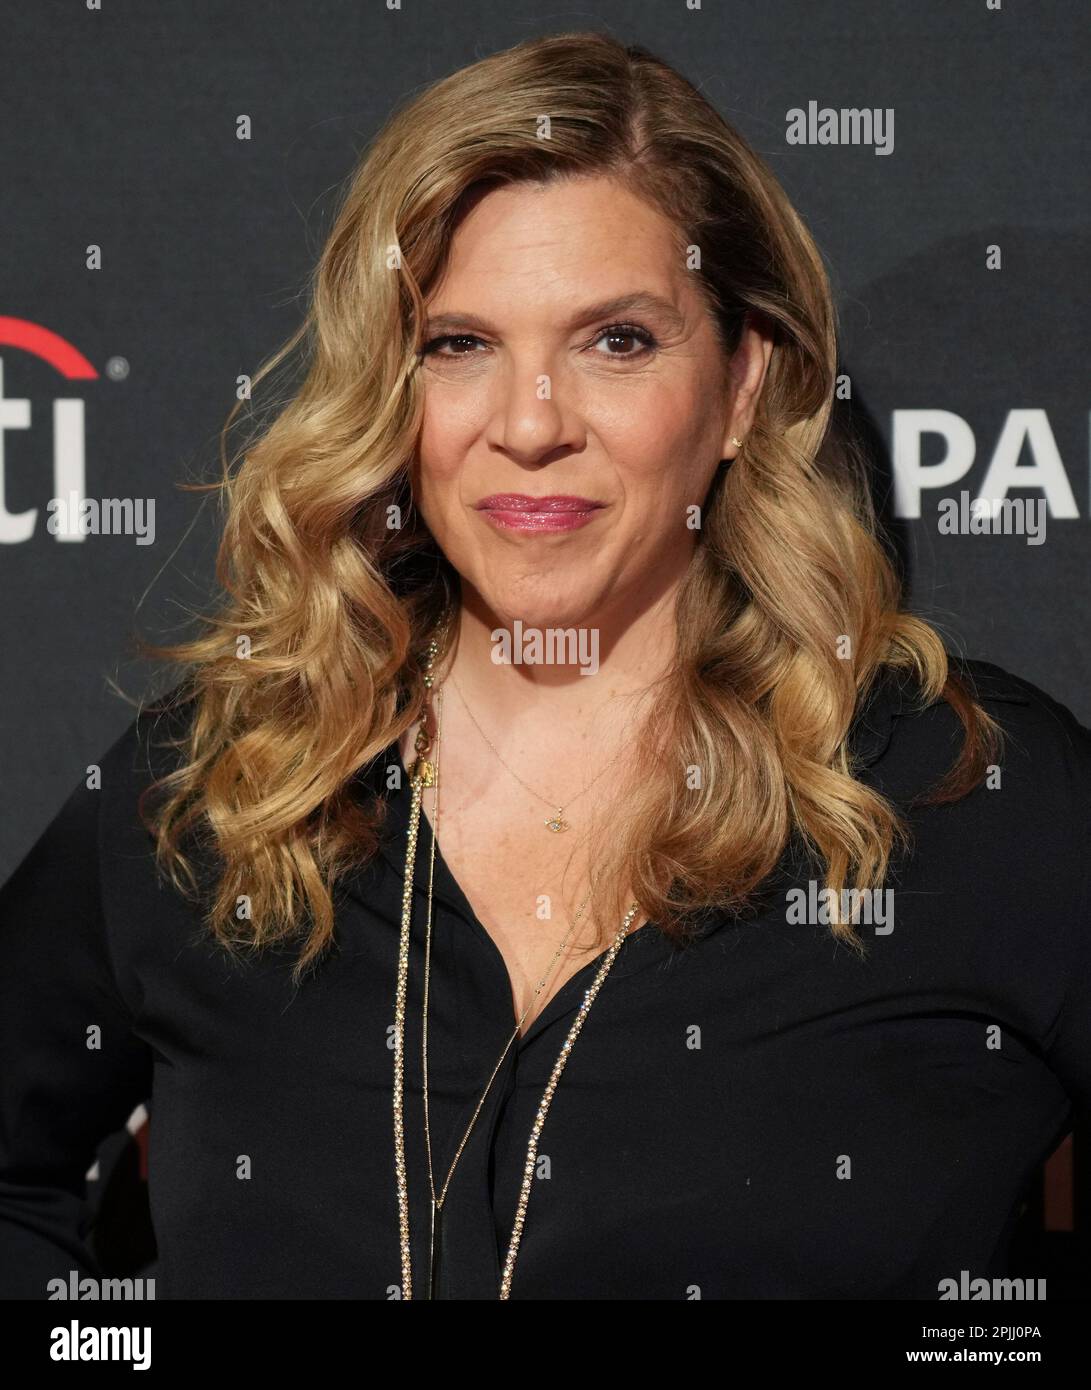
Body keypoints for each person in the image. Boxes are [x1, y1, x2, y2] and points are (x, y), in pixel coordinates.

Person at [1, 30, 1088, 1302]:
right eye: (458, 343)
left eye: (614, 341)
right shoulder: (222, 790)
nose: (527, 424)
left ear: (743, 382)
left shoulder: (971, 798)